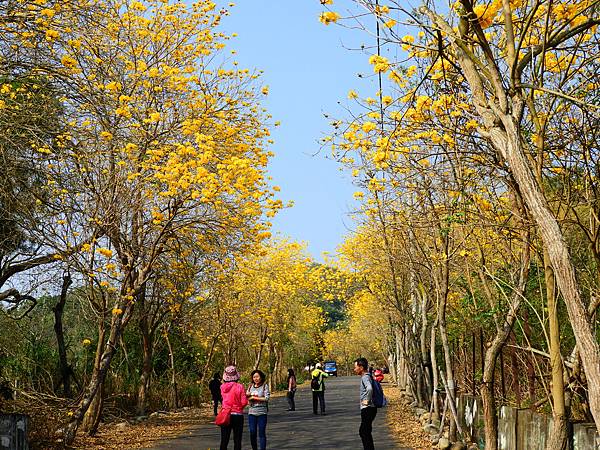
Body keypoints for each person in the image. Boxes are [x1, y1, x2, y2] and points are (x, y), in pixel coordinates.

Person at [219, 365, 248, 450]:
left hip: (225, 414)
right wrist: (239, 407)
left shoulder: (222, 387)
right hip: (237, 415)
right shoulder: (240, 386)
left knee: (224, 440)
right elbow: (244, 402)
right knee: (237, 440)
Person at [354, 357, 377, 450]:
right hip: (370, 408)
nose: (354, 369)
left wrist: (366, 400)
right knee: (365, 431)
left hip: (368, 408)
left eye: (356, 367)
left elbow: (369, 388)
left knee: (364, 432)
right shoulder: (368, 376)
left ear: (361, 367)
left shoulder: (365, 377)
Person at [246, 369, 270, 450]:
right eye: (254, 377)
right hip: (251, 413)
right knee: (252, 432)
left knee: (261, 432)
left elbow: (266, 398)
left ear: (261, 377)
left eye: (257, 376)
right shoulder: (250, 386)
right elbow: (246, 397)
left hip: (262, 413)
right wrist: (248, 396)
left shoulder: (264, 386)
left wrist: (254, 397)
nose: (256, 378)